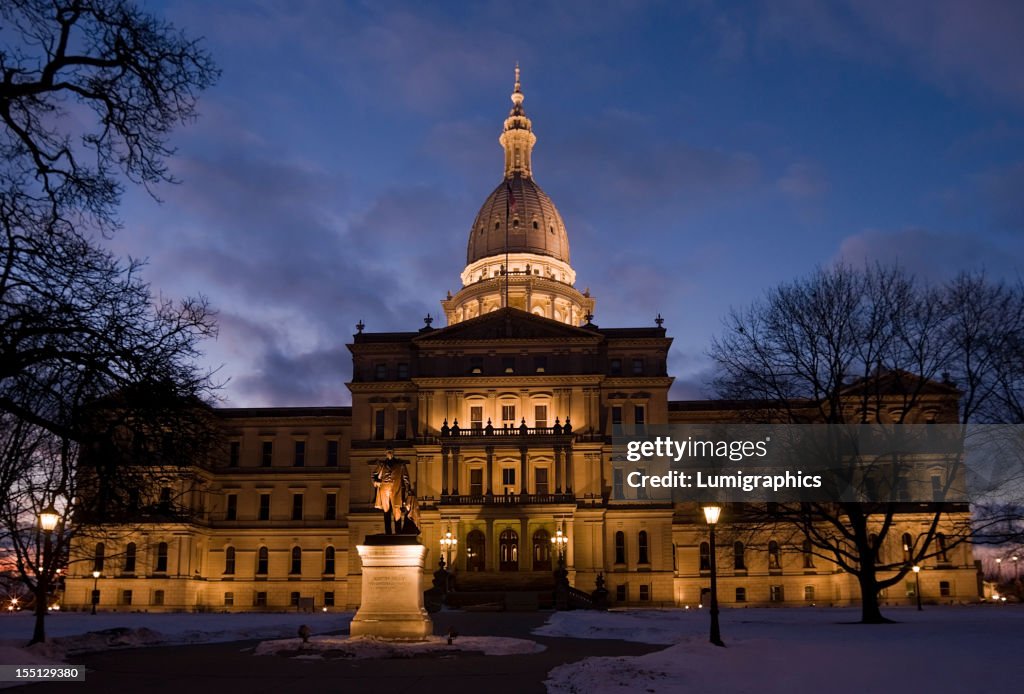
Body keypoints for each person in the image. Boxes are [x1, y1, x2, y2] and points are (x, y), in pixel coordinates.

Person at [372, 447, 418, 534]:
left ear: (393, 453)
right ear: (385, 453)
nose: (389, 453)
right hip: (384, 490)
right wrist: (377, 483)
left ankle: (398, 532)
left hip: (396, 490)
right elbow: (374, 476)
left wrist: (408, 490)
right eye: (388, 452)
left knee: (397, 511)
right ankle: (388, 532)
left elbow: (406, 478)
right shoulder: (382, 465)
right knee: (386, 512)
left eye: (391, 452)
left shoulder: (400, 465)